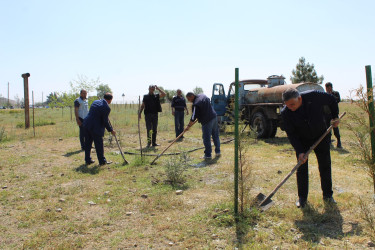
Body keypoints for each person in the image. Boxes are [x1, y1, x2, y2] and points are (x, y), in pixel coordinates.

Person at [281, 88, 340, 208]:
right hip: (302, 140)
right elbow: (291, 134)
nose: (291, 108)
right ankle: (302, 199)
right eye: (288, 106)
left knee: (325, 165)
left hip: (321, 135)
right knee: (301, 167)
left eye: (292, 104)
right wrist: (300, 151)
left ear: (300, 98)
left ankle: (328, 196)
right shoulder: (285, 113)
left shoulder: (314, 96)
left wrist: (335, 116)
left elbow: (332, 100)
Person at [83, 92, 115, 165]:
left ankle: (87, 160)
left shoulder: (96, 101)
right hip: (95, 127)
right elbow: (105, 121)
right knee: (99, 145)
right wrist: (111, 130)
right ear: (110, 100)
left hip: (86, 124)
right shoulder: (106, 108)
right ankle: (102, 161)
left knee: (88, 144)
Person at [184, 92, 220, 159]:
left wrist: (188, 126)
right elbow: (207, 103)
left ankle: (208, 155)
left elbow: (193, 117)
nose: (189, 100)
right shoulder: (202, 95)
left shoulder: (196, 104)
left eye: (188, 98)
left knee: (206, 138)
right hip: (214, 117)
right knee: (215, 135)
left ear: (192, 96)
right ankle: (218, 152)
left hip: (207, 121)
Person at [325, 82, 342, 148]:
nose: (328, 90)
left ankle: (339, 141)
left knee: (335, 128)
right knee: (328, 129)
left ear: (331, 87)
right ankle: (328, 142)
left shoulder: (335, 93)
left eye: (329, 88)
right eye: (326, 88)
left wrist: (331, 95)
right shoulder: (324, 94)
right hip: (326, 114)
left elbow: (338, 100)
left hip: (334, 114)